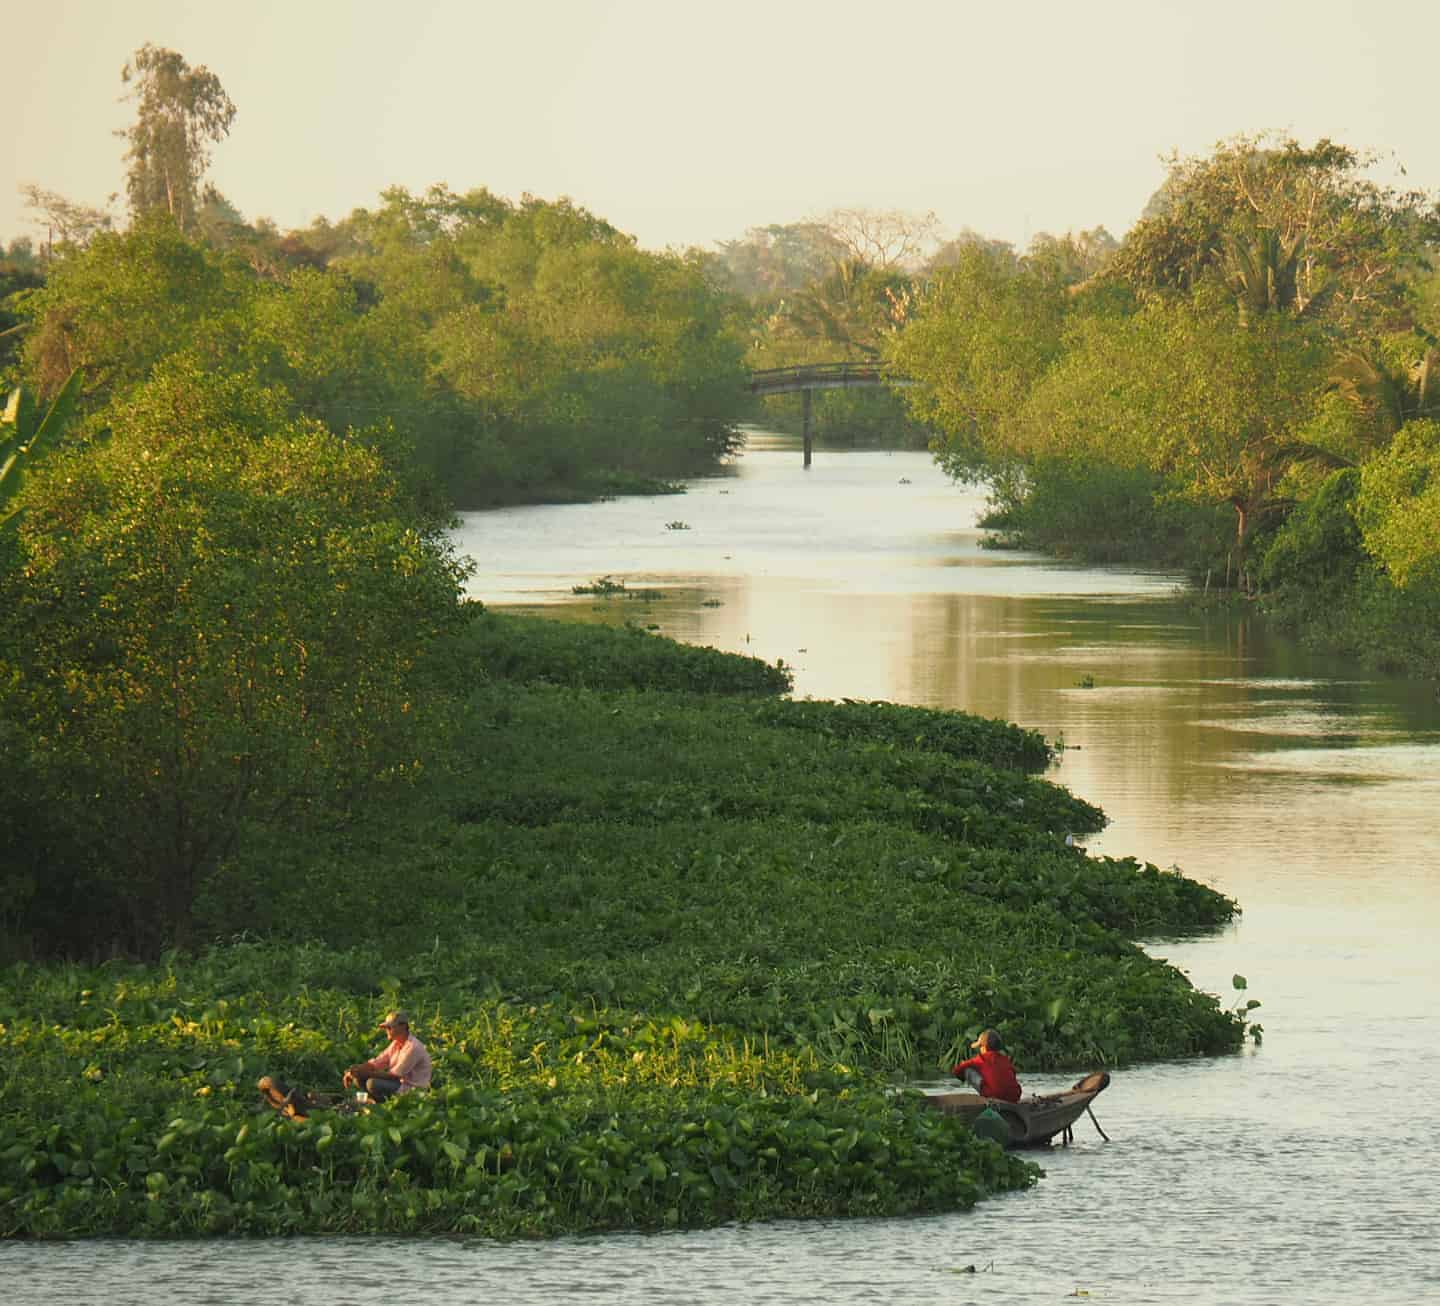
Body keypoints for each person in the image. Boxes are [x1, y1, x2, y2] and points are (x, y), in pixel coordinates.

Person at [343, 1010, 432, 1101]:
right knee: (358, 1078)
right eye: (386, 1028)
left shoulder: (413, 1047)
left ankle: (383, 1104)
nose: (387, 1031)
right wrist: (354, 1071)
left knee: (372, 1083)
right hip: (398, 1084)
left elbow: (394, 1075)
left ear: (403, 1026)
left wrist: (365, 1073)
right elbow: (377, 1062)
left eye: (389, 1028)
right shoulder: (396, 1043)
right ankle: (374, 1102)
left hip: (412, 1089)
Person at [951, 1028, 1022, 1102]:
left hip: (993, 1095)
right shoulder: (1005, 1059)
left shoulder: (981, 1059)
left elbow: (956, 1070)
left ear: (984, 1047)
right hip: (1015, 1096)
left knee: (968, 1071)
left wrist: (962, 1076)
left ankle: (986, 1099)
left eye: (980, 1047)